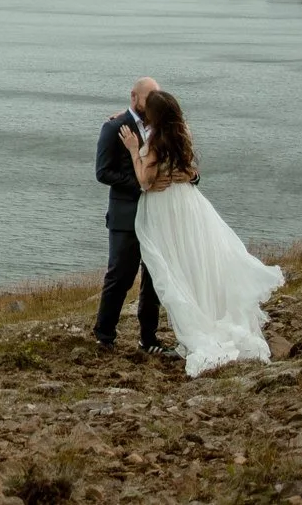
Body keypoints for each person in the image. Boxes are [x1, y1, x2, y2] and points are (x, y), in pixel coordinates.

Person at [119, 89, 286, 377]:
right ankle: (205, 315)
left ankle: (188, 330)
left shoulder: (156, 142)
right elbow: (189, 171)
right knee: (194, 263)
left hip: (164, 208)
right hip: (187, 205)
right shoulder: (182, 135)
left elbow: (146, 182)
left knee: (169, 267)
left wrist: (135, 150)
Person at [93, 76, 170, 353]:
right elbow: (103, 172)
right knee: (120, 276)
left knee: (153, 279)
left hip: (157, 216)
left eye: (155, 99)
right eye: (147, 98)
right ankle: (104, 335)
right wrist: (141, 183)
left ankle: (148, 338)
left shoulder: (162, 127)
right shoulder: (114, 127)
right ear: (134, 97)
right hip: (125, 215)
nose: (151, 104)